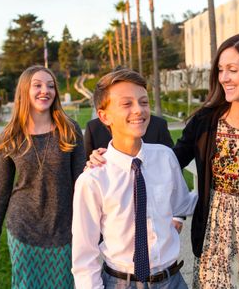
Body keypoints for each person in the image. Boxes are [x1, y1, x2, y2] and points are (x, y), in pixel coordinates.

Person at [89, 32, 239, 288]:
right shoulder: (206, 121)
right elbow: (166, 162)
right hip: (217, 244)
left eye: (232, 70)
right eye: (221, 70)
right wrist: (112, 158)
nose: (223, 77)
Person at [72, 69, 198, 288]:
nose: (139, 110)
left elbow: (183, 204)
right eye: (127, 104)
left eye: (143, 102)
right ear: (104, 116)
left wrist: (222, 186)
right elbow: (84, 256)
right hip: (121, 282)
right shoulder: (93, 179)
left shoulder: (165, 157)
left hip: (172, 281)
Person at [0, 65, 86, 288]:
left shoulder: (70, 130)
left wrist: (93, 227)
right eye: (37, 85)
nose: (45, 91)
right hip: (23, 228)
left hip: (63, 228)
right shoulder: (10, 136)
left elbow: (82, 183)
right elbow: (1, 191)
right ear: (24, 91)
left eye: (50, 86)